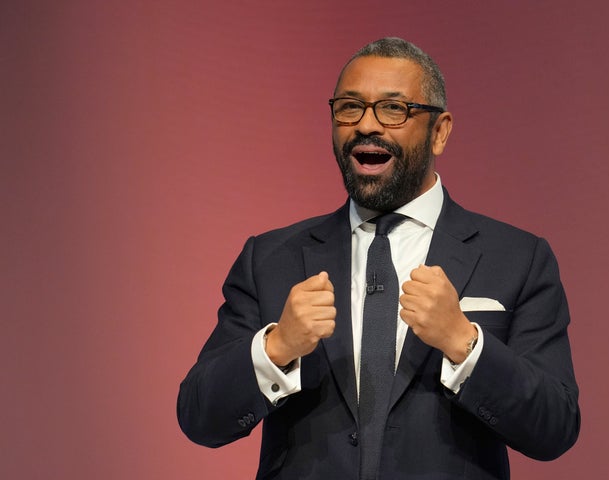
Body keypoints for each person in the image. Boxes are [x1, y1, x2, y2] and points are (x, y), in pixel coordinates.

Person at [177, 37, 580, 480]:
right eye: (350, 107)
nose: (366, 125)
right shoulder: (271, 258)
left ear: (440, 130)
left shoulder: (518, 258)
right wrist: (275, 350)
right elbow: (200, 417)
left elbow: (554, 428)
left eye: (393, 109)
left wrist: (465, 344)